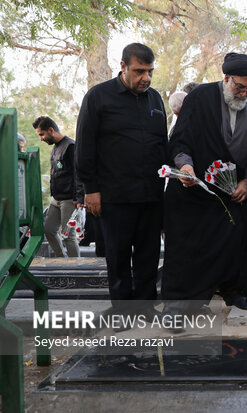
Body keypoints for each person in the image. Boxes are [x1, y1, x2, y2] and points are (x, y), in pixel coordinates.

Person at [162, 52, 247, 312]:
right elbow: (181, 139)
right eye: (239, 87)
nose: (244, 94)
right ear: (226, 78)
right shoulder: (200, 98)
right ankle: (179, 304)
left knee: (235, 241)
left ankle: (233, 290)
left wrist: (245, 181)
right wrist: (185, 165)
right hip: (197, 190)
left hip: (233, 194)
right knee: (190, 248)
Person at [75, 43, 167, 320]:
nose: (146, 78)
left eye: (150, 72)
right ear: (123, 66)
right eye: (139, 71)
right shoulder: (98, 97)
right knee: (117, 257)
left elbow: (162, 144)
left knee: (148, 255)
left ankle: (146, 307)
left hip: (151, 194)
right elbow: (85, 147)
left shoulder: (155, 99)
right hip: (113, 195)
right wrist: (91, 191)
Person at [33, 116, 84, 258]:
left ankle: (76, 267)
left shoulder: (70, 146)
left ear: (51, 130)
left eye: (42, 134)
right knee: (48, 230)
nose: (41, 138)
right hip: (55, 199)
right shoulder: (55, 148)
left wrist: (78, 197)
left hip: (69, 199)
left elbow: (78, 173)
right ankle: (63, 259)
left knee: (68, 235)